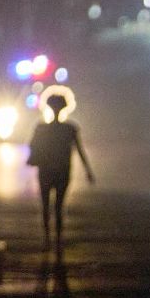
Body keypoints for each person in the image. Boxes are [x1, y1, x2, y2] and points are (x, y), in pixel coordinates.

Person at [27, 94, 95, 248]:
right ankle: (58, 239)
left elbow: (32, 146)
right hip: (63, 170)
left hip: (45, 170)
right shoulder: (70, 129)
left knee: (45, 205)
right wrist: (88, 170)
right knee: (59, 206)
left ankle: (47, 238)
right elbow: (80, 150)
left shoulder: (41, 128)